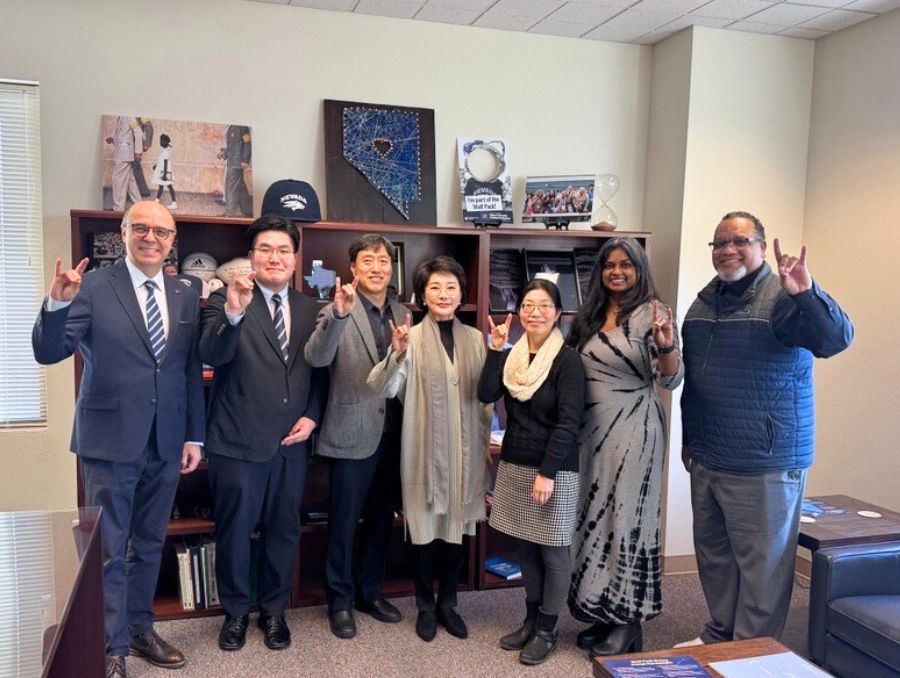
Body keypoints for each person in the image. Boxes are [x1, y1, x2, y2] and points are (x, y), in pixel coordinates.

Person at [32, 201, 204, 678]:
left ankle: (139, 627)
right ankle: (112, 648)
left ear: (173, 240)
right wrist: (58, 303)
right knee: (108, 548)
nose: (152, 238)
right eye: (141, 228)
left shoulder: (186, 292)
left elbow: (188, 370)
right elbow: (50, 352)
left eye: (162, 231)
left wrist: (194, 436)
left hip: (166, 440)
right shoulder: (91, 287)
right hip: (109, 440)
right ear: (124, 233)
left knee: (149, 543)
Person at [677, 211, 853, 647]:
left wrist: (809, 294)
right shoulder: (703, 304)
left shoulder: (784, 297)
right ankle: (720, 636)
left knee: (763, 567)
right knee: (716, 558)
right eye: (719, 243)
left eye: (738, 241)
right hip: (709, 455)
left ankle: (751, 653)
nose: (727, 250)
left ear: (760, 245)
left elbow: (836, 339)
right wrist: (690, 441)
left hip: (765, 461)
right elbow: (694, 382)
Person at [200, 214, 325, 652]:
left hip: (291, 444)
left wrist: (312, 415)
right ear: (250, 257)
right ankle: (235, 613)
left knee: (283, 530)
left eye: (283, 250)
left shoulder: (312, 308)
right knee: (234, 532)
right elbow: (210, 354)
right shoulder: (224, 299)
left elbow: (319, 372)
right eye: (266, 249)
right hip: (237, 442)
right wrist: (233, 312)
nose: (275, 257)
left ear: (294, 260)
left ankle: (274, 612)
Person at [565, 237, 684, 658]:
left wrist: (667, 344)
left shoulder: (653, 313)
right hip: (591, 433)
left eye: (626, 265)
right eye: (609, 265)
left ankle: (628, 621)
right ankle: (603, 610)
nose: (617, 272)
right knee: (595, 518)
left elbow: (670, 379)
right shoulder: (591, 314)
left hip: (634, 430)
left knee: (627, 520)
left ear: (639, 269)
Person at [368, 256, 492, 643]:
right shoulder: (412, 336)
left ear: (461, 295)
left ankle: (448, 604)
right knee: (424, 532)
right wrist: (398, 353)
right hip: (422, 449)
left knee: (456, 531)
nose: (443, 294)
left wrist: (486, 441)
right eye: (435, 287)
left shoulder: (474, 339)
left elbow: (487, 398)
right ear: (422, 294)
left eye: (451, 287)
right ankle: (424, 605)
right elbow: (381, 387)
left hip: (465, 452)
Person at [304, 234, 411, 639]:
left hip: (391, 433)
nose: (377, 267)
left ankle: (370, 592)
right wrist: (338, 315)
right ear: (354, 268)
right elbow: (317, 358)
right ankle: (340, 601)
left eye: (383, 260)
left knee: (382, 520)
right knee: (345, 522)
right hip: (351, 430)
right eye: (368, 260)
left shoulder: (402, 311)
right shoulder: (337, 308)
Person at [477, 279, 585, 665]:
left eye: (543, 305)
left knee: (554, 551)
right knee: (525, 546)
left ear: (557, 313)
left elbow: (569, 422)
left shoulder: (567, 360)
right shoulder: (513, 356)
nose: (534, 312)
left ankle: (547, 629)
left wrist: (548, 473)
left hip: (553, 469)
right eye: (527, 304)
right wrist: (495, 348)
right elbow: (486, 393)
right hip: (515, 463)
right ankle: (530, 618)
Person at [106, 116, 144, 211]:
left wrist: (138, 151)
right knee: (130, 181)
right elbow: (123, 135)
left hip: (125, 153)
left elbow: (138, 132)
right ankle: (140, 206)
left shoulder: (129, 115)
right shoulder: (122, 115)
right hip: (123, 151)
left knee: (117, 179)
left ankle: (118, 208)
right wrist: (113, 140)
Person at [219, 124, 252, 217]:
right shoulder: (232, 127)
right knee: (240, 187)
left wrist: (245, 160)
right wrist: (224, 154)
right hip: (232, 161)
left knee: (230, 186)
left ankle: (230, 213)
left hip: (237, 163)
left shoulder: (242, 127)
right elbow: (232, 146)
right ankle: (247, 212)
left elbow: (248, 143)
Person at [152, 133, 177, 210]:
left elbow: (165, 163)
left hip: (165, 172)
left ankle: (174, 203)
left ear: (164, 142)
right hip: (163, 171)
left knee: (169, 186)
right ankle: (157, 200)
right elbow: (162, 162)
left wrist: (165, 175)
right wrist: (156, 166)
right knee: (161, 186)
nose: (160, 142)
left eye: (161, 141)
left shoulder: (165, 152)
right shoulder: (163, 151)